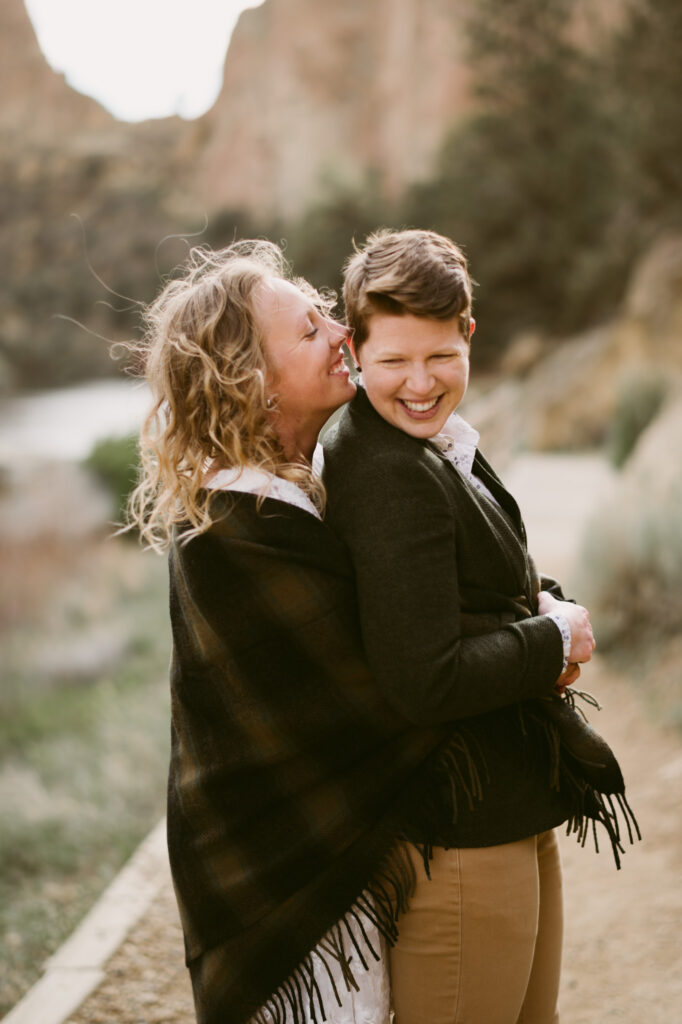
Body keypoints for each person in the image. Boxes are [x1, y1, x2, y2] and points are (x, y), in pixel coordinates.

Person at [129, 239, 511, 1024]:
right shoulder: (238, 519)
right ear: (254, 384)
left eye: (326, 315)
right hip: (279, 871)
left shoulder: (303, 488)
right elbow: (387, 680)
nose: (342, 334)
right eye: (309, 331)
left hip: (338, 859)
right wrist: (535, 634)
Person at [321, 228, 639, 1024]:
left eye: (439, 355)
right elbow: (425, 677)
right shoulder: (384, 469)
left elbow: (479, 574)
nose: (420, 383)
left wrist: (548, 605)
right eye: (392, 361)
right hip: (458, 834)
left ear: (469, 332)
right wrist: (553, 639)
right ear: (353, 350)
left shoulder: (434, 442)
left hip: (508, 804)